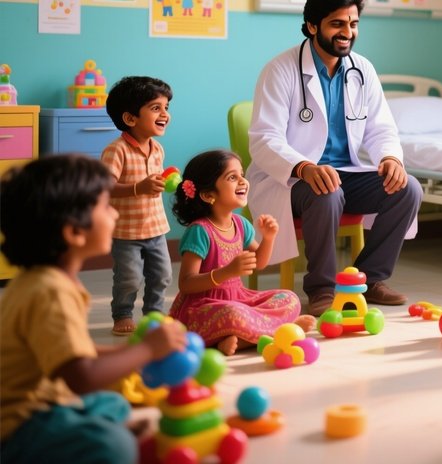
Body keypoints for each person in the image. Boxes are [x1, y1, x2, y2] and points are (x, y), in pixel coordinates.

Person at [247, 0, 423, 316]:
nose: (347, 32)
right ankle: (322, 288)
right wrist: (304, 167)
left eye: (353, 24)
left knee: (407, 189)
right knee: (325, 191)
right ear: (313, 25)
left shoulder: (362, 69)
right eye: (337, 24)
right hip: (293, 179)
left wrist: (389, 158)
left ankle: (368, 280)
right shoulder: (280, 70)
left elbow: (381, 126)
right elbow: (264, 138)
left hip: (347, 172)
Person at [0, 154, 186, 464]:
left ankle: (96, 430)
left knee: (114, 404)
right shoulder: (50, 291)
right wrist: (146, 352)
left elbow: (76, 352)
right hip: (19, 425)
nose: (114, 213)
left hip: (50, 402)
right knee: (113, 446)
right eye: (105, 206)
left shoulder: (46, 280)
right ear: (74, 231)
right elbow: (80, 377)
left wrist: (133, 350)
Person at [169, 149, 315, 356]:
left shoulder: (241, 224)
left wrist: (268, 238)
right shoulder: (199, 231)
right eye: (232, 177)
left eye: (242, 176)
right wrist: (226, 272)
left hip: (238, 298)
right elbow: (186, 283)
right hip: (204, 306)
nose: (242, 182)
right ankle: (276, 331)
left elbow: (259, 263)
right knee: (232, 313)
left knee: (288, 297)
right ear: (208, 195)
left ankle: (240, 337)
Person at [101, 75, 173, 336]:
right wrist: (137, 188)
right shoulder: (116, 150)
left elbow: (155, 184)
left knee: (162, 275)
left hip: (156, 228)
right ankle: (122, 313)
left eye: (166, 107)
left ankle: (154, 314)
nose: (164, 113)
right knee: (129, 278)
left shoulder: (158, 149)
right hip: (126, 233)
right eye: (156, 108)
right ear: (130, 118)